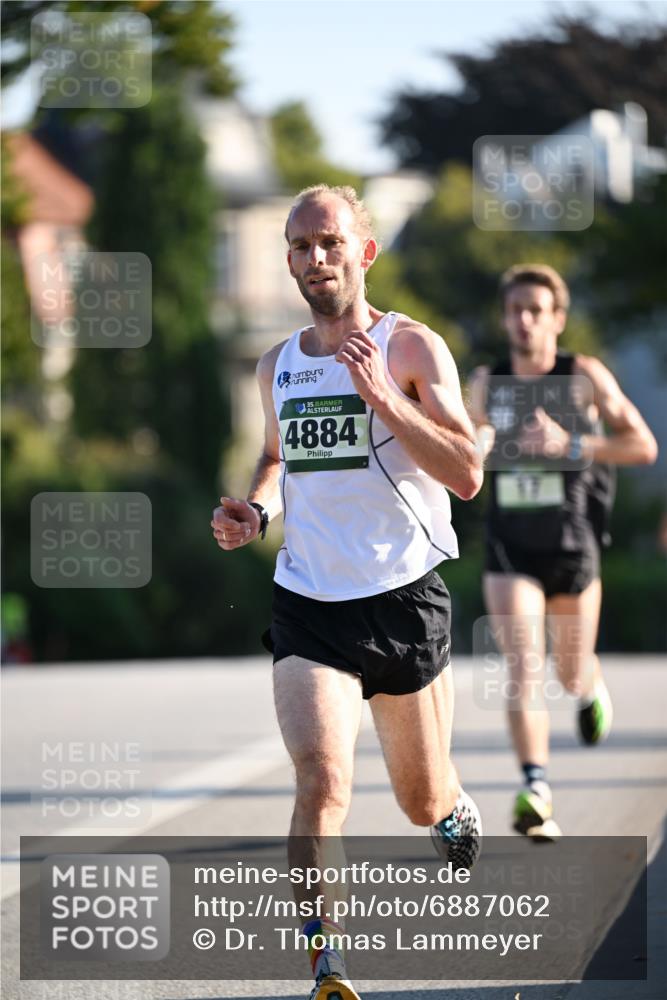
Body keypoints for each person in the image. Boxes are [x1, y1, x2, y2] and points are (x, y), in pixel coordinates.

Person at [211, 184, 483, 1000]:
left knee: (415, 797)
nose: (313, 259)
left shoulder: (411, 350)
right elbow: (273, 455)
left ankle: (448, 802)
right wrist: (255, 509)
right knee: (323, 780)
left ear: (362, 252)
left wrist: (381, 400)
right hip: (308, 602)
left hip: (401, 596)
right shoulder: (277, 365)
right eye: (298, 246)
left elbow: (466, 474)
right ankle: (325, 959)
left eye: (328, 242)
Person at [469, 264, 658, 841]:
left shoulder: (584, 377)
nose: (523, 320)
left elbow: (643, 446)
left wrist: (571, 443)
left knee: (570, 672)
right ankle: (536, 789)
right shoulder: (486, 383)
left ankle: (590, 682)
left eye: (535, 310)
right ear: (504, 318)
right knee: (524, 667)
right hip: (511, 546)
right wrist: (478, 445)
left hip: (574, 546)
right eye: (514, 310)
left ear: (557, 319)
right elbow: (464, 450)